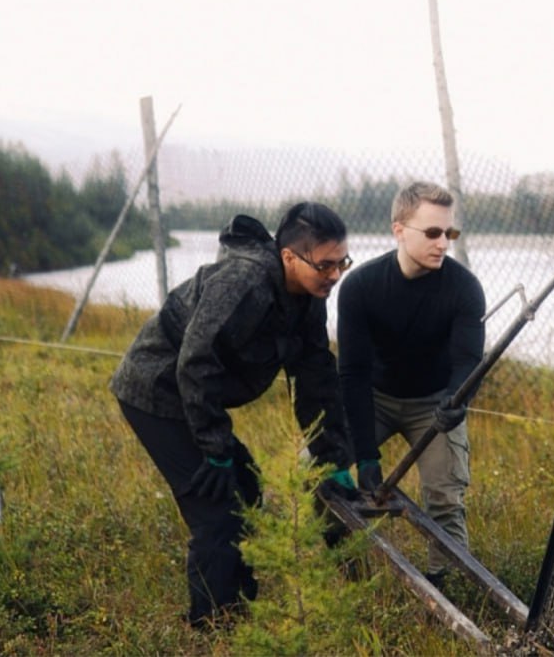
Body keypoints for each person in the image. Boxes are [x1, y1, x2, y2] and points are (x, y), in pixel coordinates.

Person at [110, 202, 358, 629]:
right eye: (325, 265)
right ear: (289, 257)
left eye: (343, 264)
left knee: (245, 485)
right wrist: (214, 448)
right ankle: (214, 626)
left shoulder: (309, 297)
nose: (335, 275)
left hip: (194, 395)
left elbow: (317, 380)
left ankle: (239, 604)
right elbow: (195, 360)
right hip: (156, 390)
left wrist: (331, 458)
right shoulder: (244, 283)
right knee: (217, 508)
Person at [336, 181, 485, 588]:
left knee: (444, 499)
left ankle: (447, 588)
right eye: (433, 233)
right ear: (399, 230)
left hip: (435, 403)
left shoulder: (464, 288)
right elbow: (351, 373)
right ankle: (342, 570)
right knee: (316, 469)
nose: (443, 244)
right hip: (375, 399)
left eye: (449, 234)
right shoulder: (360, 287)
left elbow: (468, 360)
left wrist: (458, 398)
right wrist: (365, 455)